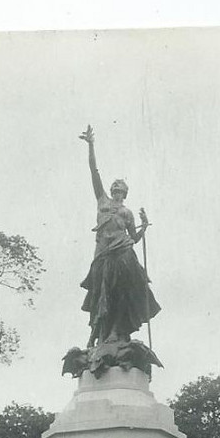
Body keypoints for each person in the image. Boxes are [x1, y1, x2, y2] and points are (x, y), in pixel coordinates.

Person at [78, 125, 162, 346]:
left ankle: (117, 330)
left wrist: (143, 227)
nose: (116, 191)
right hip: (103, 253)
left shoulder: (127, 213)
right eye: (114, 188)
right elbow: (93, 171)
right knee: (99, 291)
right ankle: (98, 331)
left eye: (120, 190)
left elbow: (133, 238)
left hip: (123, 252)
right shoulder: (102, 201)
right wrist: (91, 146)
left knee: (120, 291)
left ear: (124, 194)